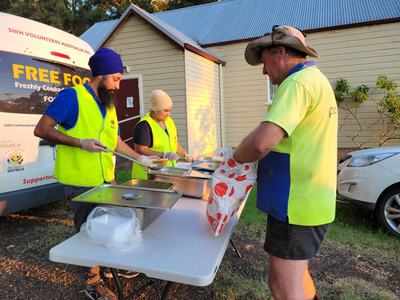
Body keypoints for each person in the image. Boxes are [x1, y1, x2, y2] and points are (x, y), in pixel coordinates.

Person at [34, 47, 152, 299]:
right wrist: (79, 143)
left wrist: (140, 157)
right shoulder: (71, 97)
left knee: (108, 225)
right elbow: (41, 129)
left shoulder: (108, 105)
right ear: (101, 75)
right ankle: (92, 281)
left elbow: (115, 141)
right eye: (117, 79)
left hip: (105, 180)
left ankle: (109, 269)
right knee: (88, 232)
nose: (119, 86)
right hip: (80, 183)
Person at [233, 25, 337, 300]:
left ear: (279, 52)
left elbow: (261, 142)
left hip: (296, 204)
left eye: (264, 61)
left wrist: (234, 157)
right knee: (298, 276)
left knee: (284, 287)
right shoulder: (315, 80)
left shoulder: (297, 84)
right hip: (309, 202)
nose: (264, 71)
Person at [132, 89, 192, 180]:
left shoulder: (169, 122)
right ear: (155, 110)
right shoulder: (144, 125)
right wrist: (163, 154)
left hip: (167, 172)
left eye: (170, 110)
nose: (169, 114)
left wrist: (185, 155)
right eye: (166, 111)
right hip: (148, 174)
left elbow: (174, 143)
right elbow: (141, 149)